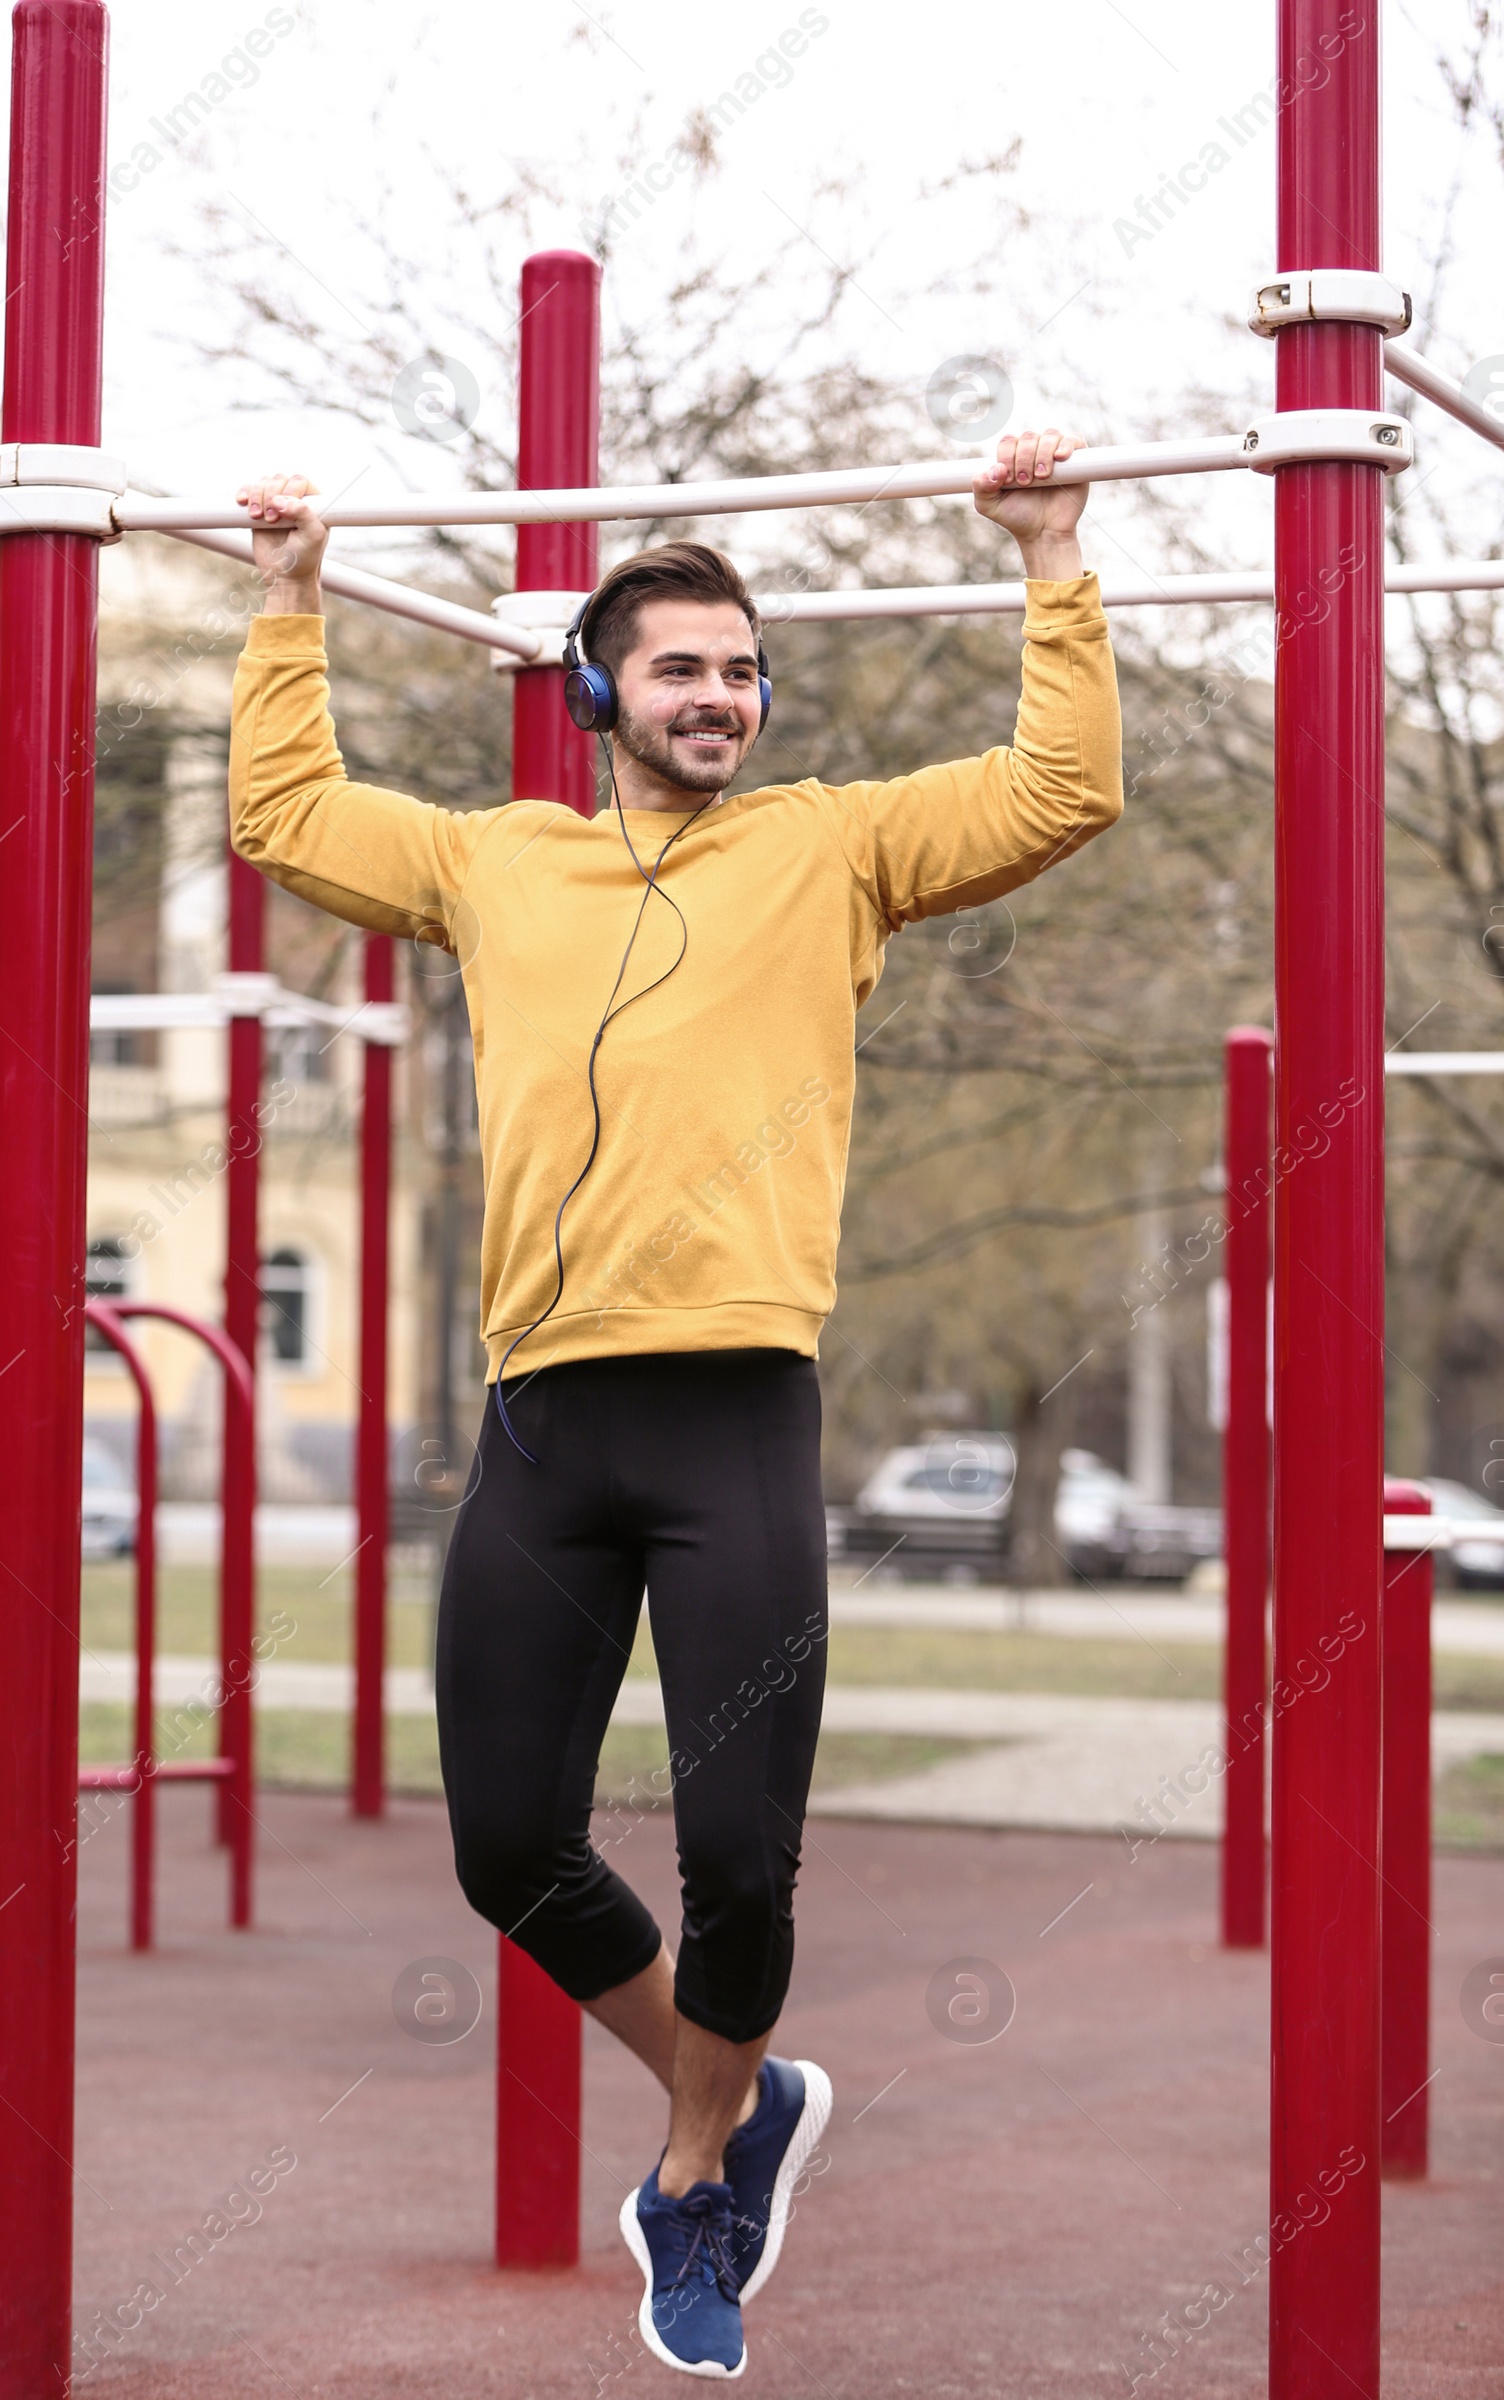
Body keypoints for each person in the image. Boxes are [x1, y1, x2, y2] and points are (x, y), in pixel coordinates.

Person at [229, 427, 1120, 2379]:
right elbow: (287, 813)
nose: (718, 697)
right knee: (507, 1845)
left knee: (738, 1854)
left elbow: (1061, 785)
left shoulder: (836, 847)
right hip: (545, 1427)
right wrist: (286, 598)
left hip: (732, 1422)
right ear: (592, 694)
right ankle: (742, 2099)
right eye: (680, 668)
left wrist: (1050, 559)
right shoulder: (493, 863)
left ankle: (694, 2173)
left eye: (741, 670)